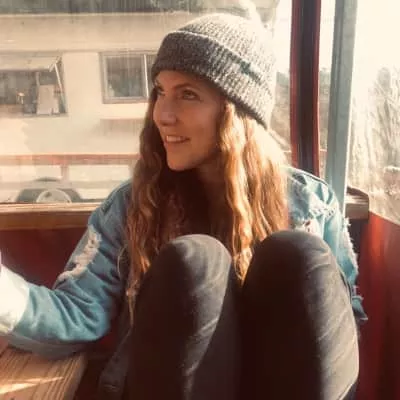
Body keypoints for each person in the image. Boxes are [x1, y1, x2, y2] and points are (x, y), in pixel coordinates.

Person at [0, 12, 366, 400]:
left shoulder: (311, 204)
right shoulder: (133, 204)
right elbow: (77, 313)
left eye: (187, 94)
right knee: (196, 261)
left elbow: (340, 326)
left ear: (237, 112)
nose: (162, 114)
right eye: (160, 91)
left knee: (298, 253)